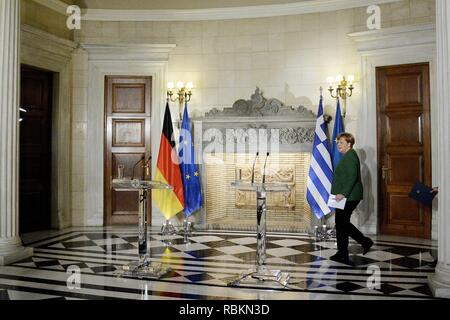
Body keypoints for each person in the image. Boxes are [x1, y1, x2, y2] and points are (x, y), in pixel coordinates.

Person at [330, 133, 373, 264]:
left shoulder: (351, 156)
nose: (339, 145)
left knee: (342, 223)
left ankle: (364, 242)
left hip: (348, 196)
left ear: (349, 144)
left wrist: (343, 193)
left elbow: (352, 177)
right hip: (345, 196)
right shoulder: (347, 156)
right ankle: (342, 252)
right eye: (338, 142)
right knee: (341, 224)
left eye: (342, 142)